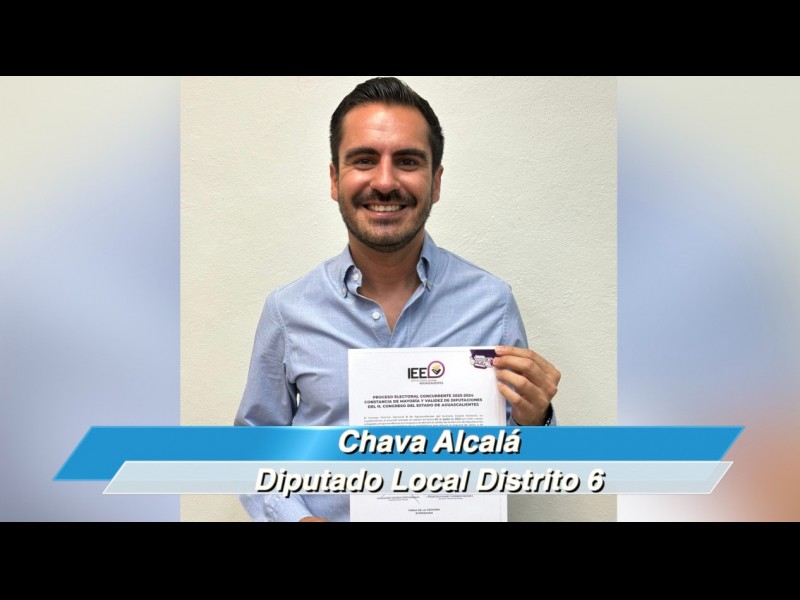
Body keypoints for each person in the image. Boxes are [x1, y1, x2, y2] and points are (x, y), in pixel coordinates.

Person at [234, 76, 561, 522]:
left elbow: (525, 464)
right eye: (364, 160)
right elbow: (253, 447)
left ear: (436, 182)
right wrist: (296, 518)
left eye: (407, 161)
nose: (385, 182)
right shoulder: (288, 312)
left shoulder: (493, 304)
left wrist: (536, 419)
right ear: (334, 179)